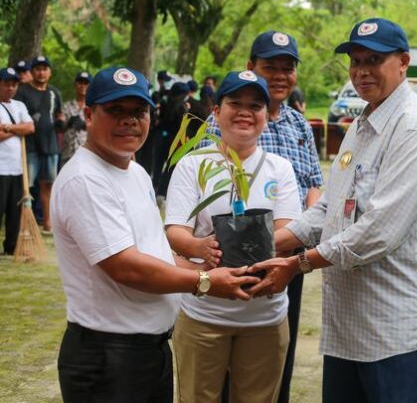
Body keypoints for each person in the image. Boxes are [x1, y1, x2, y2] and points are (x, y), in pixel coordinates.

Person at [247, 18, 417, 402]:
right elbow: (329, 207)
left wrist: (297, 265)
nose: (362, 71)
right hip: (355, 324)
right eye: (356, 61)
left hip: (403, 327)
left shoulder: (413, 126)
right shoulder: (363, 122)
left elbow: (379, 230)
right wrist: (265, 246)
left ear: (403, 62)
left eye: (374, 60)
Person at [51, 66, 260, 403]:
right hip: (109, 356)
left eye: (139, 111)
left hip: (148, 350)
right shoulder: (86, 179)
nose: (129, 121)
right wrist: (205, 282)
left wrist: (216, 274)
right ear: (89, 114)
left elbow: (156, 251)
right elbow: (127, 267)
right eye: (115, 111)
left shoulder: (133, 172)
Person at [199, 30, 324, 403]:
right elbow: (209, 197)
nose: (281, 76)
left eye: (289, 68)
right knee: (226, 357)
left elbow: (314, 185)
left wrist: (304, 229)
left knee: (275, 351)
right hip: (235, 255)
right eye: (271, 67)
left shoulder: (299, 124)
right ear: (251, 67)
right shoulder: (219, 124)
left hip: (288, 255)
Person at [165, 70, 302, 403]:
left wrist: (248, 239)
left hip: (265, 317)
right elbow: (175, 231)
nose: (244, 112)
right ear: (216, 112)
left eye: (255, 105)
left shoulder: (279, 168)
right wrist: (201, 246)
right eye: (234, 103)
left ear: (265, 117)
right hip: (204, 315)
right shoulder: (194, 165)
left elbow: (289, 231)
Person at [14, 55, 64, 233]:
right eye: (38, 69)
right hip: (30, 146)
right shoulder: (22, 91)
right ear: (32, 71)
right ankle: (23, 225)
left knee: (48, 185)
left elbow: (59, 114)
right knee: (25, 187)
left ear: (50, 72)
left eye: (45, 68)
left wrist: (62, 123)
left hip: (51, 146)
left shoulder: (54, 93)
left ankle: (48, 224)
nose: (41, 72)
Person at [0, 67, 34, 256]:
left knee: (14, 211)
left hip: (17, 167)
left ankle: (11, 246)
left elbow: (30, 128)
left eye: (14, 84)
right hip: (0, 167)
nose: (11, 88)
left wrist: (7, 127)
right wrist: (17, 129)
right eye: (7, 84)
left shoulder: (19, 106)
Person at [59, 71, 91, 167]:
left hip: (88, 153)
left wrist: (84, 125)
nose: (83, 86)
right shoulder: (66, 106)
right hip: (68, 153)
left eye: (86, 83)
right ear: (75, 85)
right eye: (80, 83)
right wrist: (67, 123)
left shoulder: (94, 107)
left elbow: (101, 128)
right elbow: (60, 128)